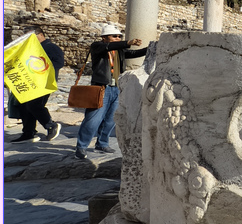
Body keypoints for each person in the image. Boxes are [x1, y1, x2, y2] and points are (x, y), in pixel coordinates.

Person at [75, 24, 147, 159]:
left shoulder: (119, 50)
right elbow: (107, 47)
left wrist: (150, 49)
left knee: (110, 119)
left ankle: (102, 143)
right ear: (104, 37)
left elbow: (133, 53)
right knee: (93, 119)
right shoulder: (97, 46)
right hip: (101, 88)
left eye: (119, 36)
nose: (117, 38)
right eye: (115, 36)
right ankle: (82, 146)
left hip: (116, 88)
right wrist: (127, 43)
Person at [11, 26, 65, 143]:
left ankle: (51, 125)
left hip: (44, 83)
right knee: (24, 106)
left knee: (33, 105)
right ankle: (28, 133)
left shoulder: (50, 47)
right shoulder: (32, 48)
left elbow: (59, 63)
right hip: (31, 82)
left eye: (30, 36)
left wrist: (41, 70)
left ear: (40, 35)